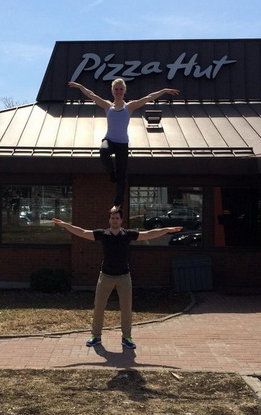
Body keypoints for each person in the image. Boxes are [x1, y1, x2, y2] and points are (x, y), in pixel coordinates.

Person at [52, 208, 182, 349]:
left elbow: (149, 234)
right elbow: (82, 232)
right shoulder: (103, 234)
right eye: (112, 218)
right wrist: (65, 225)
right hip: (105, 276)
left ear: (121, 220)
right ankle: (96, 336)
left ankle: (126, 338)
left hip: (124, 277)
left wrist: (166, 229)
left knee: (126, 308)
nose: (114, 220)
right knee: (99, 307)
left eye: (117, 218)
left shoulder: (127, 234)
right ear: (109, 220)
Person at [67, 79, 179, 212]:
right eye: (116, 89)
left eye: (121, 89)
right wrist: (80, 86)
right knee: (103, 151)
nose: (118, 91)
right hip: (109, 139)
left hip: (122, 144)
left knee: (122, 177)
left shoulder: (129, 107)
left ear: (124, 91)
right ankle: (111, 174)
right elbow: (91, 94)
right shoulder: (107, 106)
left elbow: (148, 98)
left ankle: (117, 204)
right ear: (112, 91)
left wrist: (164, 91)